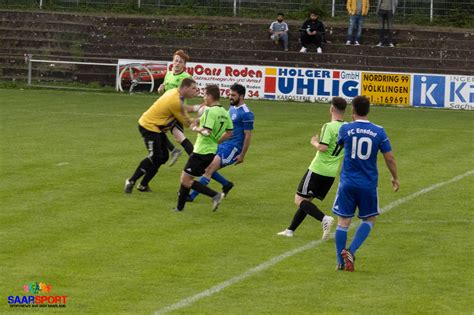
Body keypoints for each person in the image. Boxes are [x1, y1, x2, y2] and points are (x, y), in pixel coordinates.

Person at [332, 95, 399, 271]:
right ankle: (351, 251)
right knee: (370, 219)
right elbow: (389, 158)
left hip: (347, 182)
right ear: (369, 110)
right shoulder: (379, 131)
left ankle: (340, 261)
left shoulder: (345, 129)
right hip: (368, 184)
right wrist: (395, 177)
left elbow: (339, 145)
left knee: (343, 221)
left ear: (353, 110)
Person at [277, 97, 347, 239]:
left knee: (299, 200)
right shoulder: (347, 127)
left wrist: (314, 142)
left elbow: (323, 147)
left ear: (331, 109)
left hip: (318, 169)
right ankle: (290, 230)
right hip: (331, 173)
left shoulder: (329, 126)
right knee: (307, 202)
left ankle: (324, 219)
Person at [124, 78, 197, 193]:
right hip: (149, 126)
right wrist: (202, 119)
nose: (195, 91)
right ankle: (131, 181)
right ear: (185, 88)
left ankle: (143, 185)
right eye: (193, 88)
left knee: (163, 157)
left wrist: (197, 108)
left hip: (157, 128)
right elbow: (187, 123)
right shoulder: (175, 101)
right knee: (155, 156)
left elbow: (182, 108)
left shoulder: (175, 93)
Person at [187, 83, 254, 202]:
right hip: (223, 143)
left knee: (209, 168)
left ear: (242, 96)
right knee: (206, 166)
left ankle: (191, 197)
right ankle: (226, 184)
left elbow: (248, 135)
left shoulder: (246, 113)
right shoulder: (232, 107)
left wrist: (242, 155)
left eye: (233, 95)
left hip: (233, 148)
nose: (230, 97)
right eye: (229, 94)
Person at [174, 84, 233, 212]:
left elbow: (206, 131)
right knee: (186, 177)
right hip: (211, 151)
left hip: (201, 151)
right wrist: (217, 141)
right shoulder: (224, 112)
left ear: (210, 96)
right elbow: (229, 132)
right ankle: (179, 208)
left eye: (205, 95)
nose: (204, 98)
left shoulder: (210, 111)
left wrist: (194, 127)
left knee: (185, 180)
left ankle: (215, 195)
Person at [158, 50, 197, 166]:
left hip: (175, 110)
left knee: (154, 129)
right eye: (176, 60)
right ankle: (197, 160)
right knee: (180, 138)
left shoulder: (186, 78)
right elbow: (164, 92)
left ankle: (174, 151)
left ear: (184, 65)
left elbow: (191, 93)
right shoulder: (168, 74)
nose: (178, 63)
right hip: (167, 109)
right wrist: (161, 89)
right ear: (172, 61)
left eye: (181, 62)